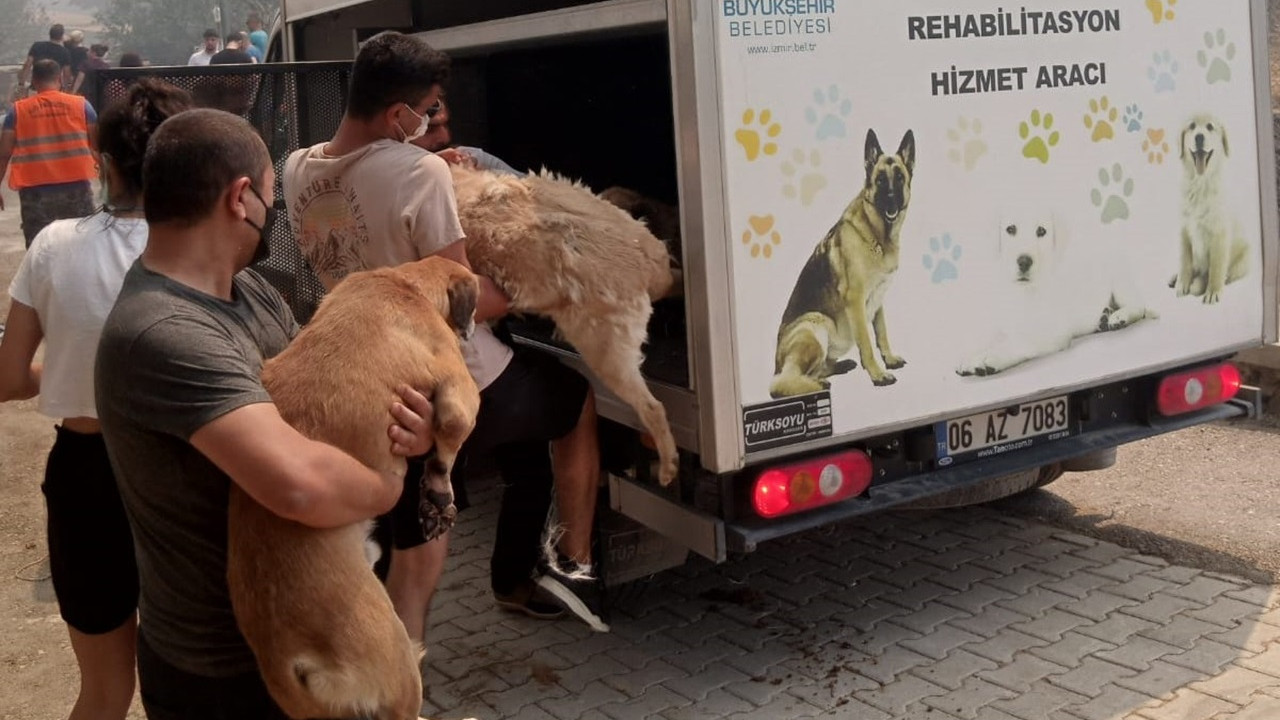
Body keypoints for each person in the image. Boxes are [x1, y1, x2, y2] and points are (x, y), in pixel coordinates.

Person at [94, 107, 436, 719]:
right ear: (240, 197)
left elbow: (323, 403)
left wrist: (405, 426)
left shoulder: (248, 291)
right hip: (226, 669)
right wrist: (388, 483)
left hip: (299, 627)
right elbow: (301, 488)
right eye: (272, 198)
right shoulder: (162, 332)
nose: (272, 215)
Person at [283, 31, 602, 648]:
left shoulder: (299, 167)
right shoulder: (418, 171)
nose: (434, 123)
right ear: (399, 114)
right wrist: (533, 289)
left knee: (414, 517)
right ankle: (573, 565)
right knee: (571, 401)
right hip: (443, 377)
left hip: (363, 373)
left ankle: (511, 581)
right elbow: (463, 305)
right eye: (428, 110)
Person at [0, 78, 192, 720]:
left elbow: (8, 379)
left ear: (103, 161)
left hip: (86, 477)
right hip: (186, 477)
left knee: (105, 693)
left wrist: (64, 372)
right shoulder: (207, 250)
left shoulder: (53, 244)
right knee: (200, 683)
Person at [0, 59, 98, 248]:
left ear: (34, 81)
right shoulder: (82, 106)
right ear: (60, 78)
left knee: (39, 250)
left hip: (35, 194)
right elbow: (98, 147)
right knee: (82, 247)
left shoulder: (18, 111)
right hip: (77, 190)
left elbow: (4, 153)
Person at [412, 98, 521, 176]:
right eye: (429, 129)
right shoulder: (397, 177)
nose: (445, 137)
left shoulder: (471, 157)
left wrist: (484, 177)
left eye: (446, 125)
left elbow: (531, 188)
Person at [19, 24, 73, 93]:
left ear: (49, 34)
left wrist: (21, 82)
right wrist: (65, 88)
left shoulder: (37, 46)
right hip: (54, 89)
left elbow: (27, 64)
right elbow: (66, 73)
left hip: (36, 86)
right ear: (61, 37)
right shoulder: (65, 52)